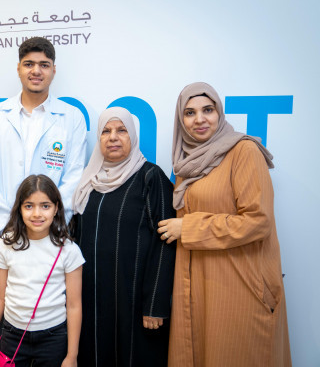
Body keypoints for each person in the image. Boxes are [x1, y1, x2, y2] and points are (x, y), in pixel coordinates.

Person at [157, 82, 291, 367]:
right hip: (198, 285)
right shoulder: (186, 165)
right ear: (181, 120)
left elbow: (258, 220)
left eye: (208, 110)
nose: (200, 119)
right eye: (189, 113)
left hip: (239, 283)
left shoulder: (244, 151)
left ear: (220, 113)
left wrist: (189, 228)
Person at [0, 37, 87, 318]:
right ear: (19, 69)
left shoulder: (71, 118)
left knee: (47, 336)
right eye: (29, 64)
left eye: (44, 65)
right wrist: (10, 229)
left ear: (53, 71)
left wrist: (45, 228)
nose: (36, 71)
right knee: (0, 341)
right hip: (3, 239)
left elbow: (73, 181)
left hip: (50, 243)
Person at [72, 107, 176, 366]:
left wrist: (155, 304)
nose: (113, 137)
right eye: (105, 131)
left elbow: (166, 244)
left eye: (121, 130)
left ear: (133, 137)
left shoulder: (151, 178)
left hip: (134, 303)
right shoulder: (88, 182)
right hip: (91, 301)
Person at [0, 174, 84, 367]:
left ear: (56, 209)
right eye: (29, 206)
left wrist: (72, 356)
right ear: (19, 209)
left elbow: (74, 305)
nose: (37, 213)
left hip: (53, 338)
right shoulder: (6, 244)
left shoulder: (69, 251)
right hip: (12, 336)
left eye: (45, 206)